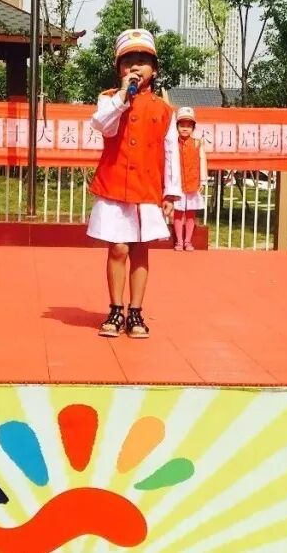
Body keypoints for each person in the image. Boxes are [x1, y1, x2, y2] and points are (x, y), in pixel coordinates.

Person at [87, 29, 182, 339]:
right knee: (118, 248)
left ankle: (136, 312)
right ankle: (115, 310)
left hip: (147, 188)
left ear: (154, 69)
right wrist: (122, 98)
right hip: (115, 185)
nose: (136, 67)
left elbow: (171, 152)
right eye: (128, 61)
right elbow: (102, 125)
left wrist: (171, 192)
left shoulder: (164, 110)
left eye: (143, 60)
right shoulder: (109, 100)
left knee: (141, 250)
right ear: (119, 69)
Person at [172, 107, 207, 251]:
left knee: (191, 213)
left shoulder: (198, 143)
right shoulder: (173, 143)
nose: (185, 128)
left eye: (188, 125)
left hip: (193, 183)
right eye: (182, 125)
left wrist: (203, 180)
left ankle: (188, 241)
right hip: (178, 184)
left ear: (193, 127)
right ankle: (179, 241)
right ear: (177, 127)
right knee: (178, 213)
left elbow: (202, 160)